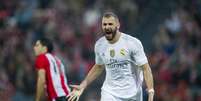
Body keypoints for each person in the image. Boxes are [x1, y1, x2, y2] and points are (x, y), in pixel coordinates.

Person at [68, 12, 154, 101]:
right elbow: (99, 66)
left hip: (133, 94)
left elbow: (145, 68)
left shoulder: (132, 43)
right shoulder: (100, 45)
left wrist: (151, 92)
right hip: (110, 93)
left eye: (110, 24)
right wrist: (83, 85)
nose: (107, 27)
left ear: (118, 25)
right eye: (104, 24)